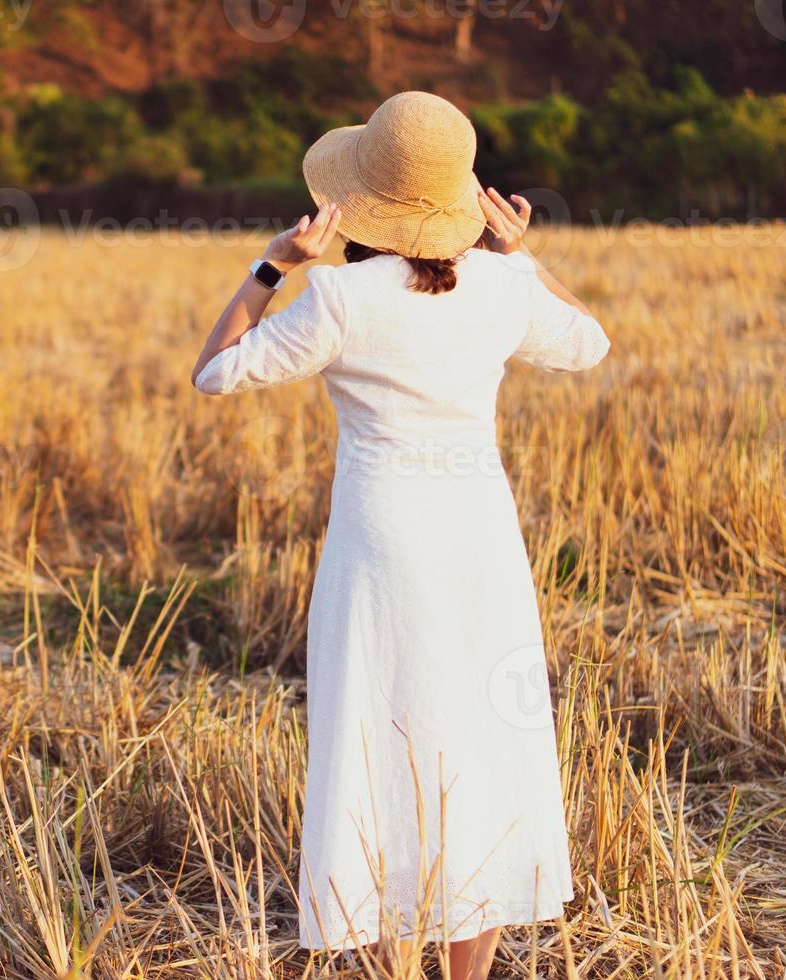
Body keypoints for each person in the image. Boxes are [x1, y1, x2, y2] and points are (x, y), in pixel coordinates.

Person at [190, 91, 609, 979]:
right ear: (459, 197)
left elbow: (216, 372)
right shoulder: (502, 286)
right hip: (481, 539)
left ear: (362, 196)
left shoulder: (338, 296)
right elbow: (591, 344)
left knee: (382, 734)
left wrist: (272, 267)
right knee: (483, 741)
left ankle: (388, 959)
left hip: (381, 542)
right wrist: (524, 257)